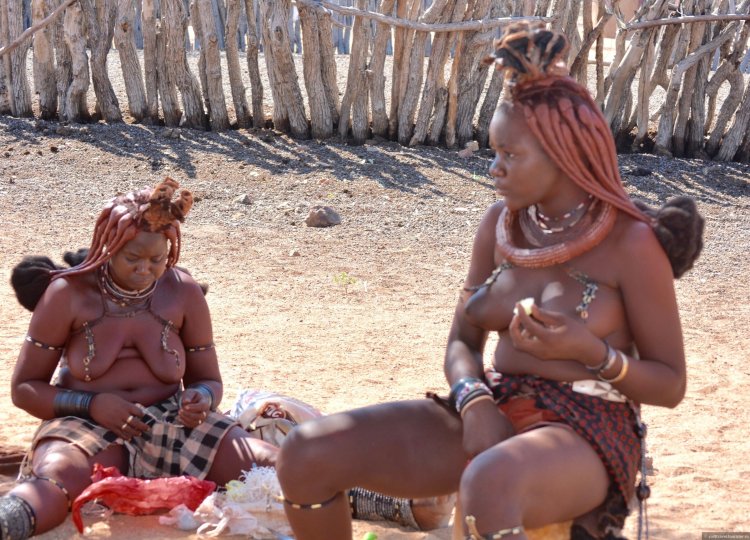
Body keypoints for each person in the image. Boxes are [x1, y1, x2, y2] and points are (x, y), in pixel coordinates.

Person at [276, 23, 704, 540]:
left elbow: (670, 384)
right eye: (495, 152)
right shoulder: (500, 226)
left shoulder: (630, 244)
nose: (495, 168)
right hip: (494, 405)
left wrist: (591, 351)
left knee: (489, 483)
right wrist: (474, 401)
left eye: (511, 155)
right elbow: (462, 342)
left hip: (588, 428)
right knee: (306, 452)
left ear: (564, 154)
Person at [0, 178, 451, 539]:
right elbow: (25, 389)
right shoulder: (68, 294)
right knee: (56, 478)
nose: (145, 270)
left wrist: (199, 399)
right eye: (133, 257)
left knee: (273, 464)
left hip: (175, 424)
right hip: (86, 425)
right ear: (107, 246)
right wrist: (91, 404)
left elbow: (209, 380)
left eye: (157, 260)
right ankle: (9, 520)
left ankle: (398, 502)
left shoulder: (182, 291)